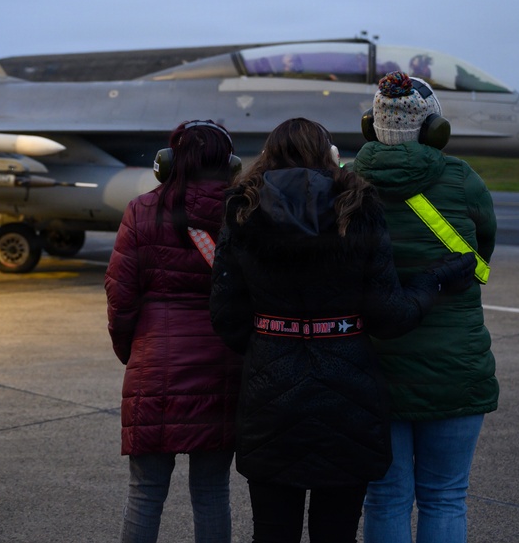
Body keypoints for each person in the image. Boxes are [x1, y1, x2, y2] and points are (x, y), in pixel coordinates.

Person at [209, 117, 476, 543]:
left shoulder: (242, 208)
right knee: (336, 533)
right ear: (328, 153)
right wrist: (434, 281)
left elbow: (226, 315)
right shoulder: (359, 205)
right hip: (348, 392)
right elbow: (390, 317)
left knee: (272, 533)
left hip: (269, 394)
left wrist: (271, 342)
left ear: (267, 155)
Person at [352, 71, 498, 543]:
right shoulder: (461, 178)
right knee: (445, 497)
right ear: (436, 130)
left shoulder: (348, 183)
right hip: (454, 365)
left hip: (373, 364)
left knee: (386, 498)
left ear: (371, 127)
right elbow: (483, 251)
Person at [105, 120, 244, 543]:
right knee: (211, 492)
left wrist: (131, 350)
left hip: (155, 360)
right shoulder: (243, 213)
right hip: (223, 364)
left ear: (165, 164)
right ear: (230, 165)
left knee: (145, 492)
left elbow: (120, 294)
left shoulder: (141, 209)